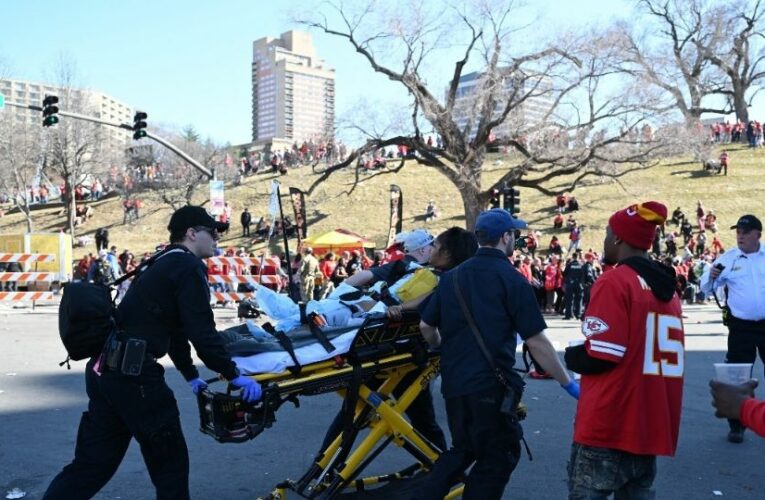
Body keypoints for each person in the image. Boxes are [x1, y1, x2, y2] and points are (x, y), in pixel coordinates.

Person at [43, 206, 262, 500]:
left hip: (105, 371)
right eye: (212, 232)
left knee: (91, 465)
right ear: (191, 233)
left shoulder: (161, 261)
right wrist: (234, 375)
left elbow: (172, 328)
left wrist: (191, 375)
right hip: (136, 379)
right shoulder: (188, 266)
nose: (217, 239)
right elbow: (201, 331)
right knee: (171, 466)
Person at [418, 209, 579, 499]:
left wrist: (442, 349)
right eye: (514, 235)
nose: (515, 239)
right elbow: (537, 342)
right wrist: (566, 381)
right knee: (498, 456)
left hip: (454, 383)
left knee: (462, 449)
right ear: (505, 237)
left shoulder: (451, 278)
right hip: (491, 386)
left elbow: (426, 326)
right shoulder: (512, 279)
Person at [564, 201, 684, 499]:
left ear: (618, 238)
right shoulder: (669, 292)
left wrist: (571, 356)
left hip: (611, 421)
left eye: (607, 233)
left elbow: (603, 354)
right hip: (650, 423)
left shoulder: (615, 281)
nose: (604, 240)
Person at [700, 214, 765, 443]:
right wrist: (711, 276)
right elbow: (705, 288)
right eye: (738, 232)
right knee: (738, 376)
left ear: (758, 234)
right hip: (741, 326)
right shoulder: (728, 259)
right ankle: (737, 425)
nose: (741, 236)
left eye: (746, 232)